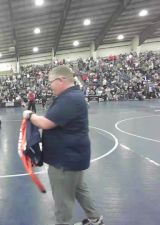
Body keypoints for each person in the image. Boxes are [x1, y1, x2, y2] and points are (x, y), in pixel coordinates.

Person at [23, 65, 104, 225]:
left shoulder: (69, 99)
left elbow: (46, 123)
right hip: (74, 157)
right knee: (80, 188)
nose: (50, 86)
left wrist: (30, 115)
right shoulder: (72, 96)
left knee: (63, 201)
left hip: (64, 160)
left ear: (61, 80)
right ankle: (95, 219)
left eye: (51, 82)